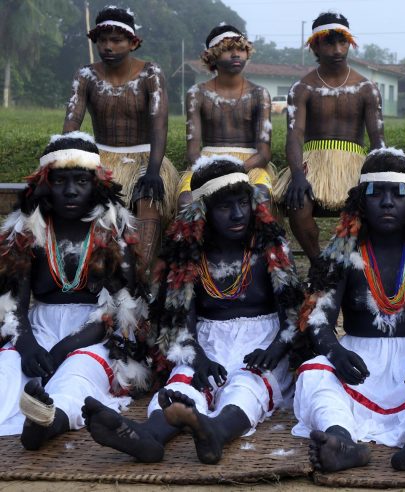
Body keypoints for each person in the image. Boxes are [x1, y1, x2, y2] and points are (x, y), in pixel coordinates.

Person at [83, 155, 304, 464]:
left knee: (246, 387)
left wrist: (276, 349)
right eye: (225, 208)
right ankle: (149, 437)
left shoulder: (270, 246)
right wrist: (198, 357)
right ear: (203, 212)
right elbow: (180, 322)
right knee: (183, 382)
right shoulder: (188, 254)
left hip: (261, 342)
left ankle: (216, 431)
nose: (238, 214)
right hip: (205, 340)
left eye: (243, 203)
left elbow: (293, 314)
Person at [292, 148, 405, 472]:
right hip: (357, 360)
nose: (388, 202)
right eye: (377, 193)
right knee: (315, 373)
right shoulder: (344, 250)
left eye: (399, 194)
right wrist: (335, 353)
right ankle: (342, 443)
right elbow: (318, 318)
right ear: (361, 201)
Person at [0, 132, 149, 449]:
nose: (70, 190)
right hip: (37, 327)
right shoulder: (29, 228)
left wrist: (65, 347)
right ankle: (32, 404)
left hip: (93, 333)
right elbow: (15, 303)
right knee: (8, 371)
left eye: (81, 181)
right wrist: (26, 344)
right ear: (45, 184)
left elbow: (117, 312)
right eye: (60, 181)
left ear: (96, 183)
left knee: (77, 374)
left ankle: (47, 424)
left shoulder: (110, 229)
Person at [63, 6, 179, 273]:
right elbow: (72, 120)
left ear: (133, 42)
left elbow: (160, 125)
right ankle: (88, 275)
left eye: (116, 40)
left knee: (149, 197)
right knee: (82, 200)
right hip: (100, 157)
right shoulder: (86, 75)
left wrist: (153, 171)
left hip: (145, 157)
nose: (108, 47)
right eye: (102, 40)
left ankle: (139, 278)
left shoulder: (151, 74)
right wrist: (65, 158)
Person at [273, 12, 385, 263]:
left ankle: (356, 264)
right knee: (297, 203)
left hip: (354, 163)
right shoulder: (302, 88)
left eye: (342, 42)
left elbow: (377, 137)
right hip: (313, 163)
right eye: (329, 43)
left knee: (373, 202)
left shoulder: (366, 88)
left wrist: (379, 174)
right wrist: (298, 175)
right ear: (315, 45)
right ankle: (318, 264)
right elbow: (295, 136)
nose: (337, 50)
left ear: (350, 43)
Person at [178, 24, 276, 208]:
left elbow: (264, 153)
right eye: (228, 50)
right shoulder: (197, 93)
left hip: (251, 164)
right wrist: (210, 170)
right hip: (206, 163)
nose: (236, 54)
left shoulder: (259, 93)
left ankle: (258, 238)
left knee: (261, 198)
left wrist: (237, 169)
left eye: (240, 49)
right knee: (186, 201)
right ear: (212, 56)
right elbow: (192, 151)